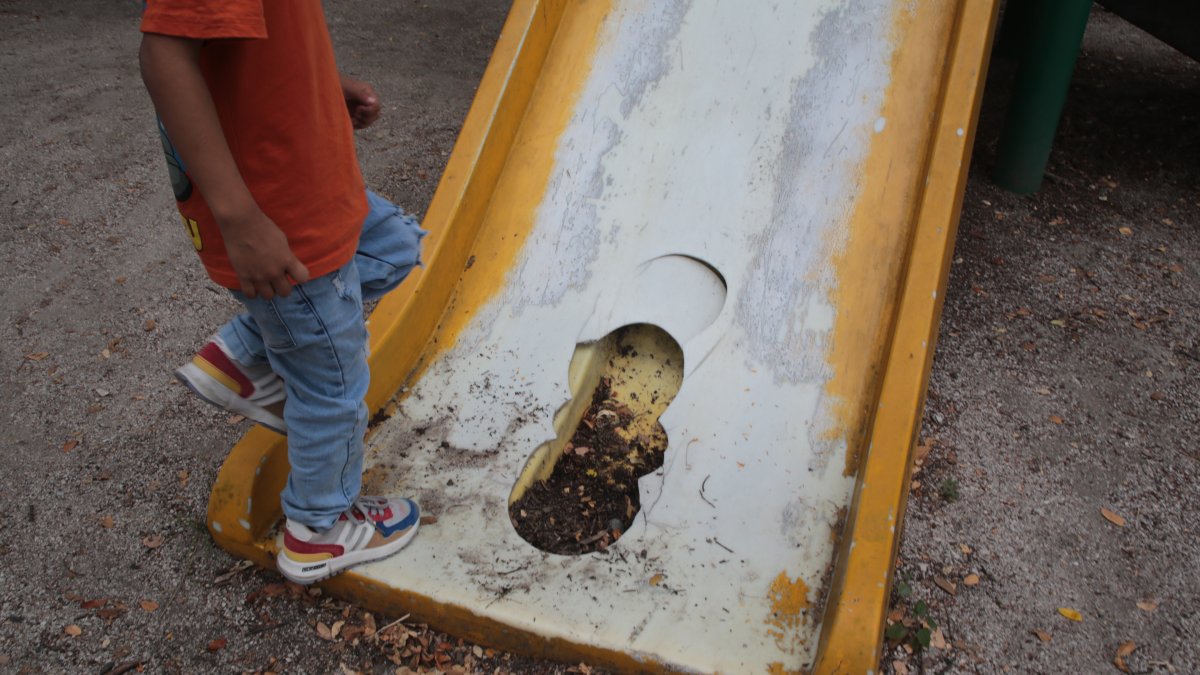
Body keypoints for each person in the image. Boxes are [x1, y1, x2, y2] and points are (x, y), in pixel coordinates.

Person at [139, 0, 423, 584]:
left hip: (318, 184)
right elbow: (166, 53)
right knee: (333, 385)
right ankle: (319, 530)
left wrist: (323, 86)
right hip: (282, 220)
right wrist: (240, 218)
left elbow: (252, 41)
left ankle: (242, 357)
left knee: (393, 246)